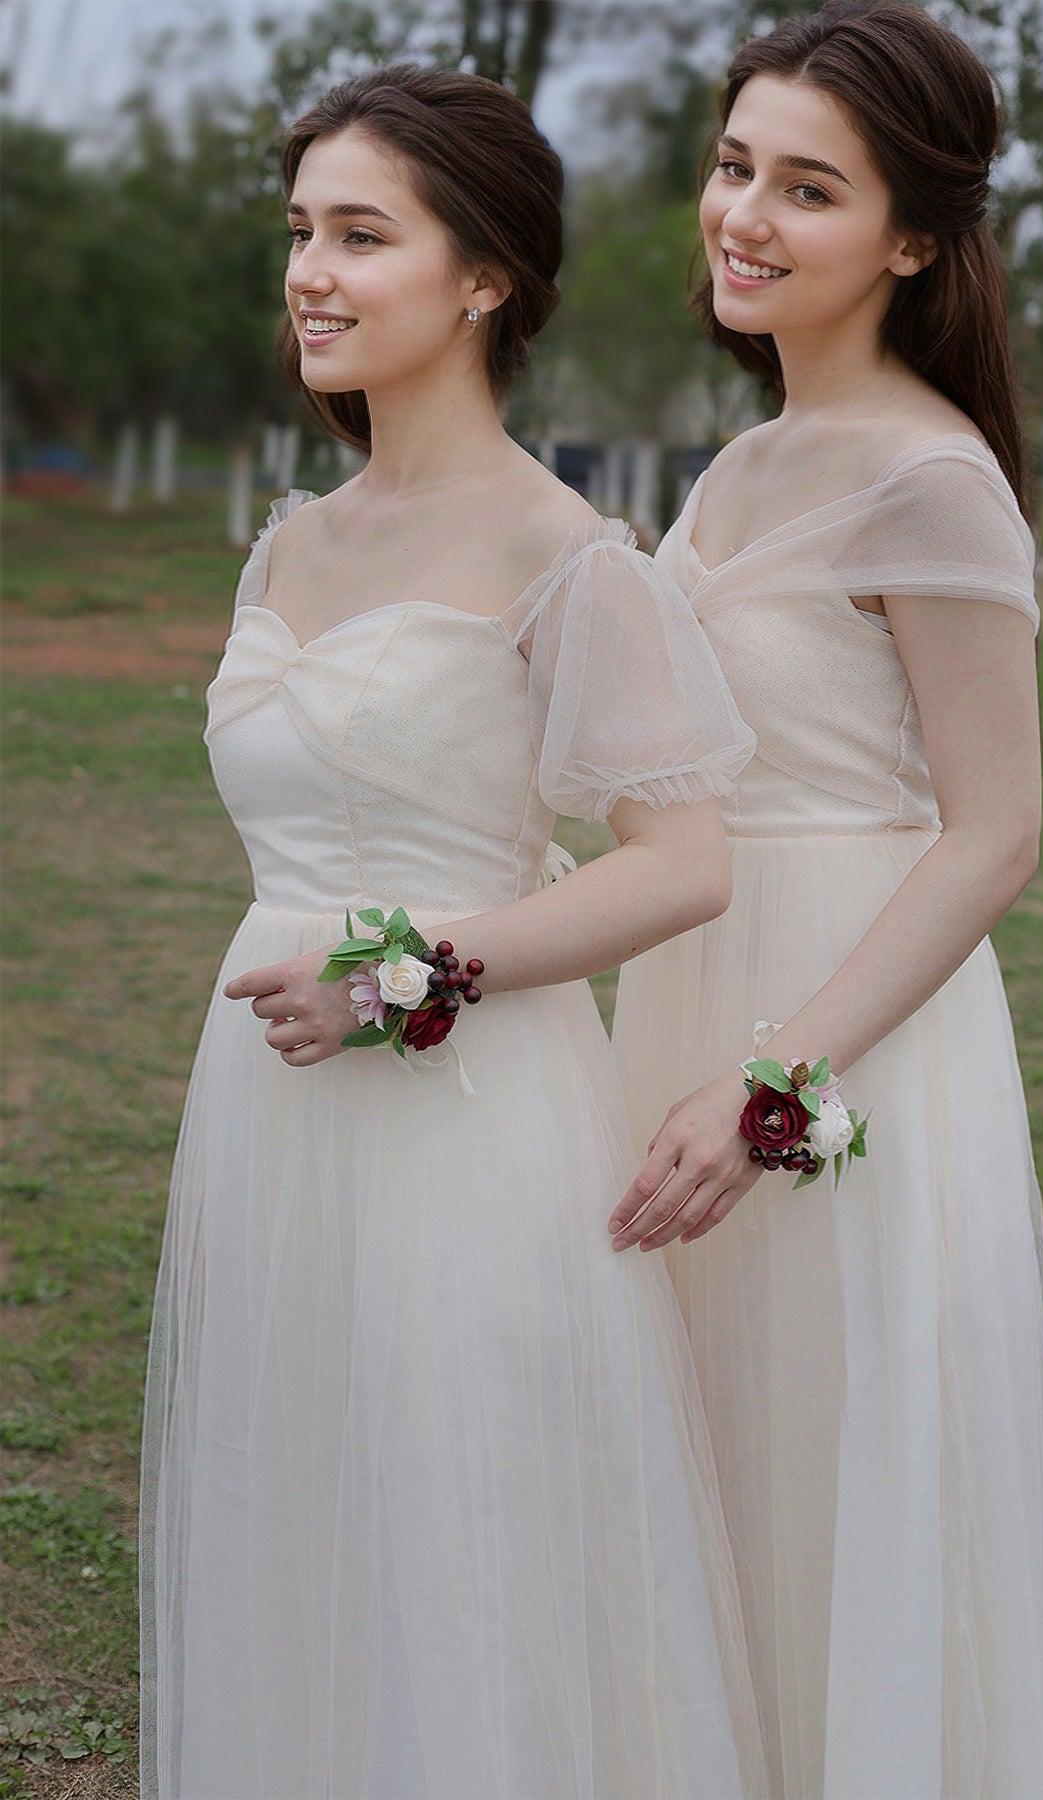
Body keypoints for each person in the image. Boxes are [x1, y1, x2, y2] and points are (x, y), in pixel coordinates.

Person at [139, 64, 767, 1800]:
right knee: (301, 1513)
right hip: (269, 1107)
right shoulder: (288, 546)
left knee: (461, 1545)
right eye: (298, 235)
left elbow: (680, 863)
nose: (312, 275)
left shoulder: (571, 556)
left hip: (464, 1119)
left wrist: (408, 974)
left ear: (482, 276)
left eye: (362, 235)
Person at [608, 6, 1043, 1796]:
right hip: (688, 981)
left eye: (807, 188)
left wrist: (777, 1082)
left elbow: (997, 834)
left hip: (843, 1034)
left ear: (911, 237)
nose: (744, 214)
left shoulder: (933, 478)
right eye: (736, 166)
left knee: (832, 1464)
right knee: (711, 1471)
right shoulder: (738, 467)